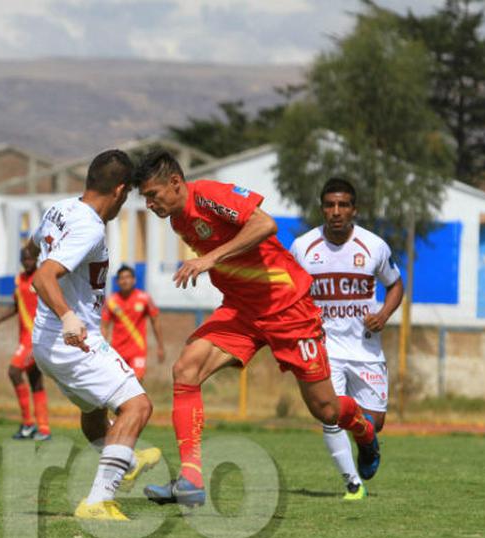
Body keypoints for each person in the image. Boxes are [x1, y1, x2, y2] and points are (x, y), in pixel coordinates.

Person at [133, 149, 379, 506]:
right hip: (242, 312)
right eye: (145, 199)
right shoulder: (178, 220)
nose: (150, 204)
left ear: (175, 183)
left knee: (326, 411)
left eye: (152, 195)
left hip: (288, 307)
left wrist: (211, 258)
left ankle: (364, 429)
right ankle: (190, 479)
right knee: (185, 369)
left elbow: (265, 224)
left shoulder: (209, 195)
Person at [29, 149, 161, 521]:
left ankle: (127, 461)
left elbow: (33, 247)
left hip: (44, 340)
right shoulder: (89, 226)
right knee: (138, 406)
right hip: (70, 338)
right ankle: (98, 501)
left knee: (93, 411)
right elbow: (43, 276)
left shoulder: (58, 209)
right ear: (120, 191)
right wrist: (70, 317)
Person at [291, 178, 403, 499]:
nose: (336, 212)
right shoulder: (303, 247)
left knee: (375, 422)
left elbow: (396, 285)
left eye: (343, 205)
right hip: (323, 348)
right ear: (322, 208)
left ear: (354, 209)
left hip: (365, 348)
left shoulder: (374, 246)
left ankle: (367, 440)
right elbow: (289, 291)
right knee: (330, 415)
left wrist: (382, 315)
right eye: (329, 205)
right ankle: (352, 483)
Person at [0, 247, 51, 441]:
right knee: (35, 381)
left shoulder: (43, 278)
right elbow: (17, 306)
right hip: (24, 337)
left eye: (30, 258)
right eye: (24, 259)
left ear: (37, 259)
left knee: (14, 371)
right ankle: (43, 428)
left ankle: (27, 424)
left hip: (36, 338)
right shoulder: (19, 280)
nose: (27, 262)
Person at [101, 264, 166, 380]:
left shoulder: (144, 298)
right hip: (117, 350)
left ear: (134, 280)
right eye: (121, 278)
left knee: (137, 382)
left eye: (127, 277)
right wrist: (102, 349)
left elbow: (155, 321)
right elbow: (104, 327)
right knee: (118, 383)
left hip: (138, 350)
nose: (125, 281)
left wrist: (160, 346)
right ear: (117, 282)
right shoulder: (111, 301)